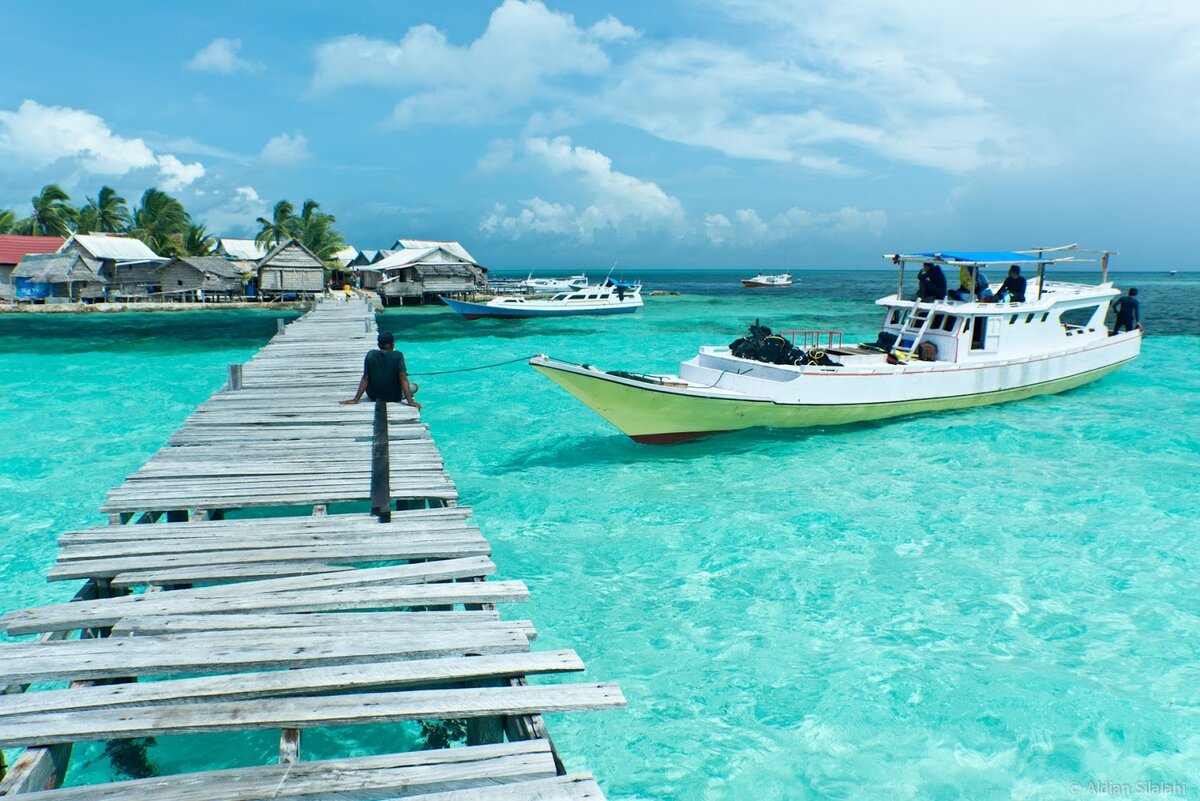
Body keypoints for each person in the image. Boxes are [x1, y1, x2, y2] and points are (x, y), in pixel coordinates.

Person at [341, 331, 421, 409]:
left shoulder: (370, 354)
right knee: (414, 386)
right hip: (394, 396)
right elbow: (403, 379)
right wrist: (410, 402)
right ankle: (408, 395)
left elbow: (365, 378)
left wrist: (356, 399)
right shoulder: (398, 355)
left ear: (378, 345)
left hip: (373, 396)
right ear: (392, 343)